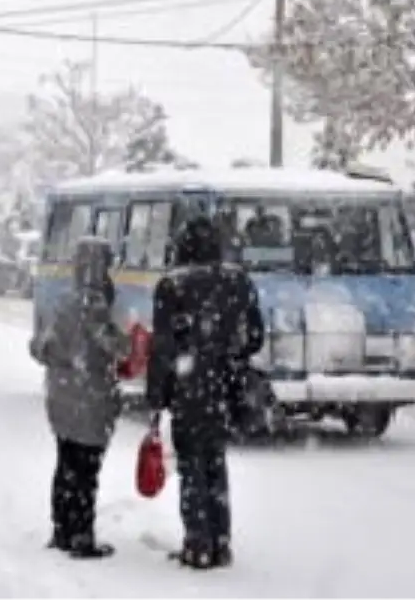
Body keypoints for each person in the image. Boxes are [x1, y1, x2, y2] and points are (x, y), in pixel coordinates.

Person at [145, 214, 265, 570]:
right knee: (216, 462)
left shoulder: (173, 286)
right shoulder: (239, 281)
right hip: (224, 388)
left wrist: (157, 398)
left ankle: (197, 544)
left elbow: (163, 349)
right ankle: (220, 542)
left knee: (191, 465)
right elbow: (255, 337)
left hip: (188, 389)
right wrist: (229, 356)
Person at [28, 236, 130, 560]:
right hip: (90, 398)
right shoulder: (95, 305)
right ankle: (82, 537)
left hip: (61, 397)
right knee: (86, 472)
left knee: (66, 466)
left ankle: (62, 531)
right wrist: (128, 340)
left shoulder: (63, 301)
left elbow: (39, 347)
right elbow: (115, 347)